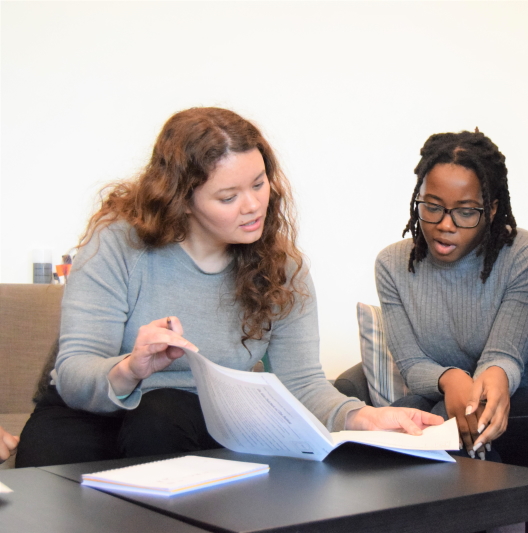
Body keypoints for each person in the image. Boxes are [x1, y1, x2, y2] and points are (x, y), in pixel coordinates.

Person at [16, 107, 442, 468]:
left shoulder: (283, 267)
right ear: (181, 199)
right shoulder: (117, 242)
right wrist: (131, 368)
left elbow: (302, 385)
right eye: (228, 197)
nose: (254, 205)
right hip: (92, 408)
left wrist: (364, 418)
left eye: (258, 184)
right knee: (47, 465)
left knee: (162, 416)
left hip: (186, 417)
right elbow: (74, 373)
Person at [377, 130, 528, 465]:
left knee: (452, 422)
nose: (445, 225)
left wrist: (465, 393)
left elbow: (503, 358)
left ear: (492, 209)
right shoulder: (391, 264)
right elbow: (412, 365)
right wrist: (450, 379)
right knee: (402, 416)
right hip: (449, 394)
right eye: (432, 207)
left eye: (466, 212)